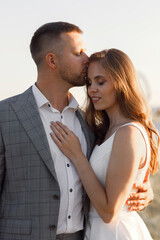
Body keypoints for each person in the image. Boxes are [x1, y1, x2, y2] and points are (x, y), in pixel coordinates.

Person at [0, 22, 153, 240]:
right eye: (78, 53)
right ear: (52, 60)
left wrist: (141, 187)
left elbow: (117, 164)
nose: (87, 58)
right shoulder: (4, 115)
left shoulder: (91, 124)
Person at [50, 48, 159, 239]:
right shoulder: (106, 130)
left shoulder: (128, 133)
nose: (92, 89)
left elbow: (109, 212)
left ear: (121, 82)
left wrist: (77, 156)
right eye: (90, 82)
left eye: (101, 82)